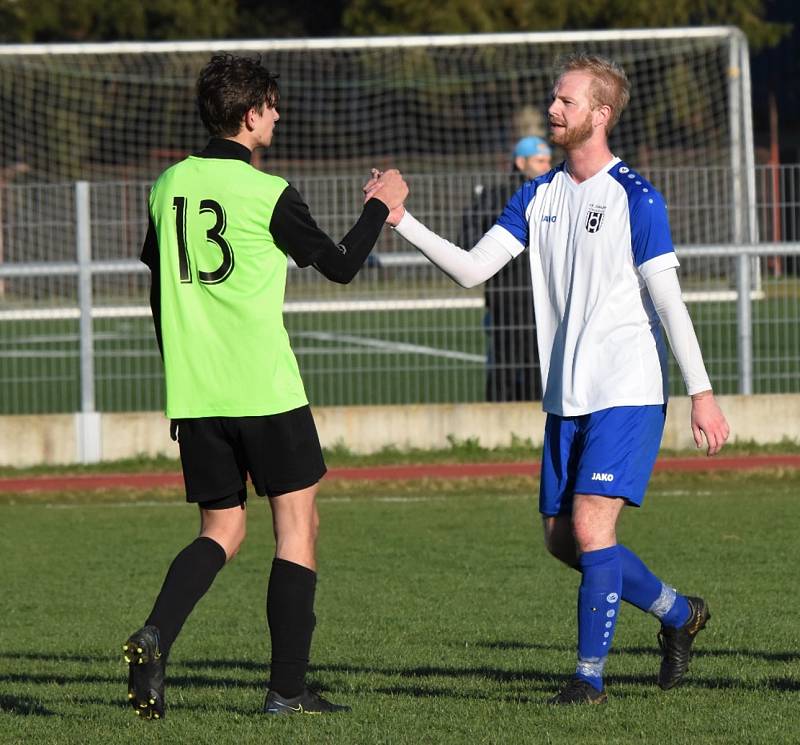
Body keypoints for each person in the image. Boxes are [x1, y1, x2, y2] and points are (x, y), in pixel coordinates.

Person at [369, 53, 730, 705]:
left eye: (566, 102)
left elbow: (670, 301)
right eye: (554, 99)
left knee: (593, 529)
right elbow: (475, 268)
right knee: (565, 541)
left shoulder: (636, 198)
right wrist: (402, 221)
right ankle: (679, 614)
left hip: (628, 388)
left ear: (601, 113)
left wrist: (702, 393)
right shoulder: (538, 194)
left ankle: (588, 679)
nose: (553, 110)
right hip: (567, 395)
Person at [126, 53, 407, 719]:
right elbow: (340, 266)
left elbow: (157, 292)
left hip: (198, 394)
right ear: (250, 116)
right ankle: (286, 691)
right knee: (298, 525)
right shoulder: (267, 192)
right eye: (272, 108)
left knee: (220, 529)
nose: (277, 117)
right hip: (267, 390)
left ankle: (156, 632)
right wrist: (379, 205)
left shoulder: (167, 186)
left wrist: (180, 386)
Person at [461, 136, 552, 401]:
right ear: (520, 162)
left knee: (540, 361)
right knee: (506, 360)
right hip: (507, 294)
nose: (546, 166)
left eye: (548, 160)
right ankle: (499, 417)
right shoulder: (496, 197)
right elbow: (471, 237)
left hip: (542, 294)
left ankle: (537, 417)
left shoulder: (555, 194)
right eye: (539, 161)